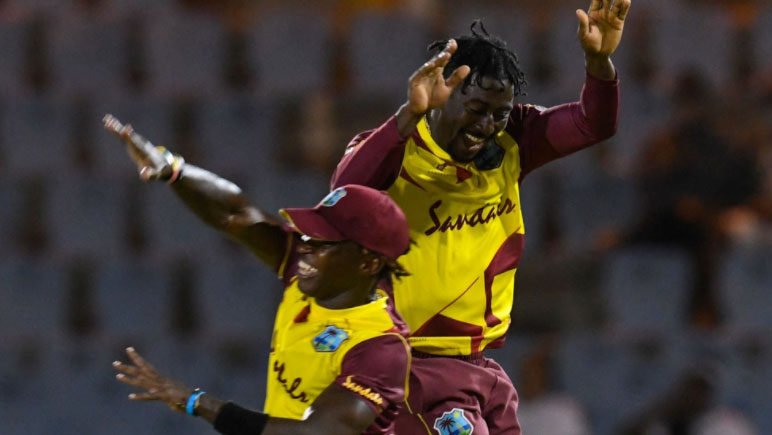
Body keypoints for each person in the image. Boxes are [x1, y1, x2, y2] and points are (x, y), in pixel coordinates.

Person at [330, 1, 630, 433]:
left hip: (478, 369)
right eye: (475, 110)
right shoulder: (394, 149)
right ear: (441, 96)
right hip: (410, 364)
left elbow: (592, 124)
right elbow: (344, 193)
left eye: (499, 113)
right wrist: (407, 116)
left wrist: (599, 63)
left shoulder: (513, 141)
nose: (487, 125)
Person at [103, 115, 416, 435]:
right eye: (308, 235)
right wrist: (173, 169)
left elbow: (315, 432)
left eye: (323, 243)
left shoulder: (379, 347)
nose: (304, 247)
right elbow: (235, 213)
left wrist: (196, 402)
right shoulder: (307, 271)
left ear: (368, 263)